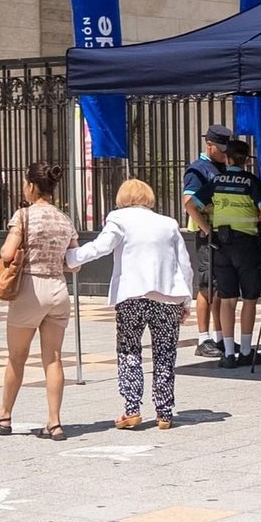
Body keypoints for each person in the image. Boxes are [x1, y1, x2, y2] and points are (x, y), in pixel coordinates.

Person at [65, 179, 194, 430]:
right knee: (165, 354)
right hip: (167, 297)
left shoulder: (119, 218)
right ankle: (165, 412)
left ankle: (132, 410)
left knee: (129, 351)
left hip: (131, 296)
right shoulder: (168, 224)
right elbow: (184, 264)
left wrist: (72, 257)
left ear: (123, 197)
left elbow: (101, 247)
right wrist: (186, 299)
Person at [0, 163, 78, 441]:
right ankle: (54, 423)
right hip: (58, 290)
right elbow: (74, 264)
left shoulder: (23, 215)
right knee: (53, 358)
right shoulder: (64, 219)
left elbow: (7, 251)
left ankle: (4, 415)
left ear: (31, 186)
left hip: (30, 288)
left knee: (17, 357)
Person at [197, 137, 261, 369]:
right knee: (249, 299)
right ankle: (247, 351)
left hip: (221, 244)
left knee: (227, 299)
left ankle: (229, 354)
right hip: (247, 245)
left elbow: (190, 203)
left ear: (227, 158)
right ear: (246, 160)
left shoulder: (216, 181)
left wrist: (206, 227)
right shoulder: (252, 182)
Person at [182, 124, 231, 359]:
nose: (224, 153)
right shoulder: (198, 170)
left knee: (221, 287)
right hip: (207, 236)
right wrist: (206, 228)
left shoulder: (224, 166)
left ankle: (220, 336)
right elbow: (189, 201)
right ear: (209, 145)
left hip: (226, 234)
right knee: (207, 287)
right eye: (221, 149)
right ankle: (203, 338)